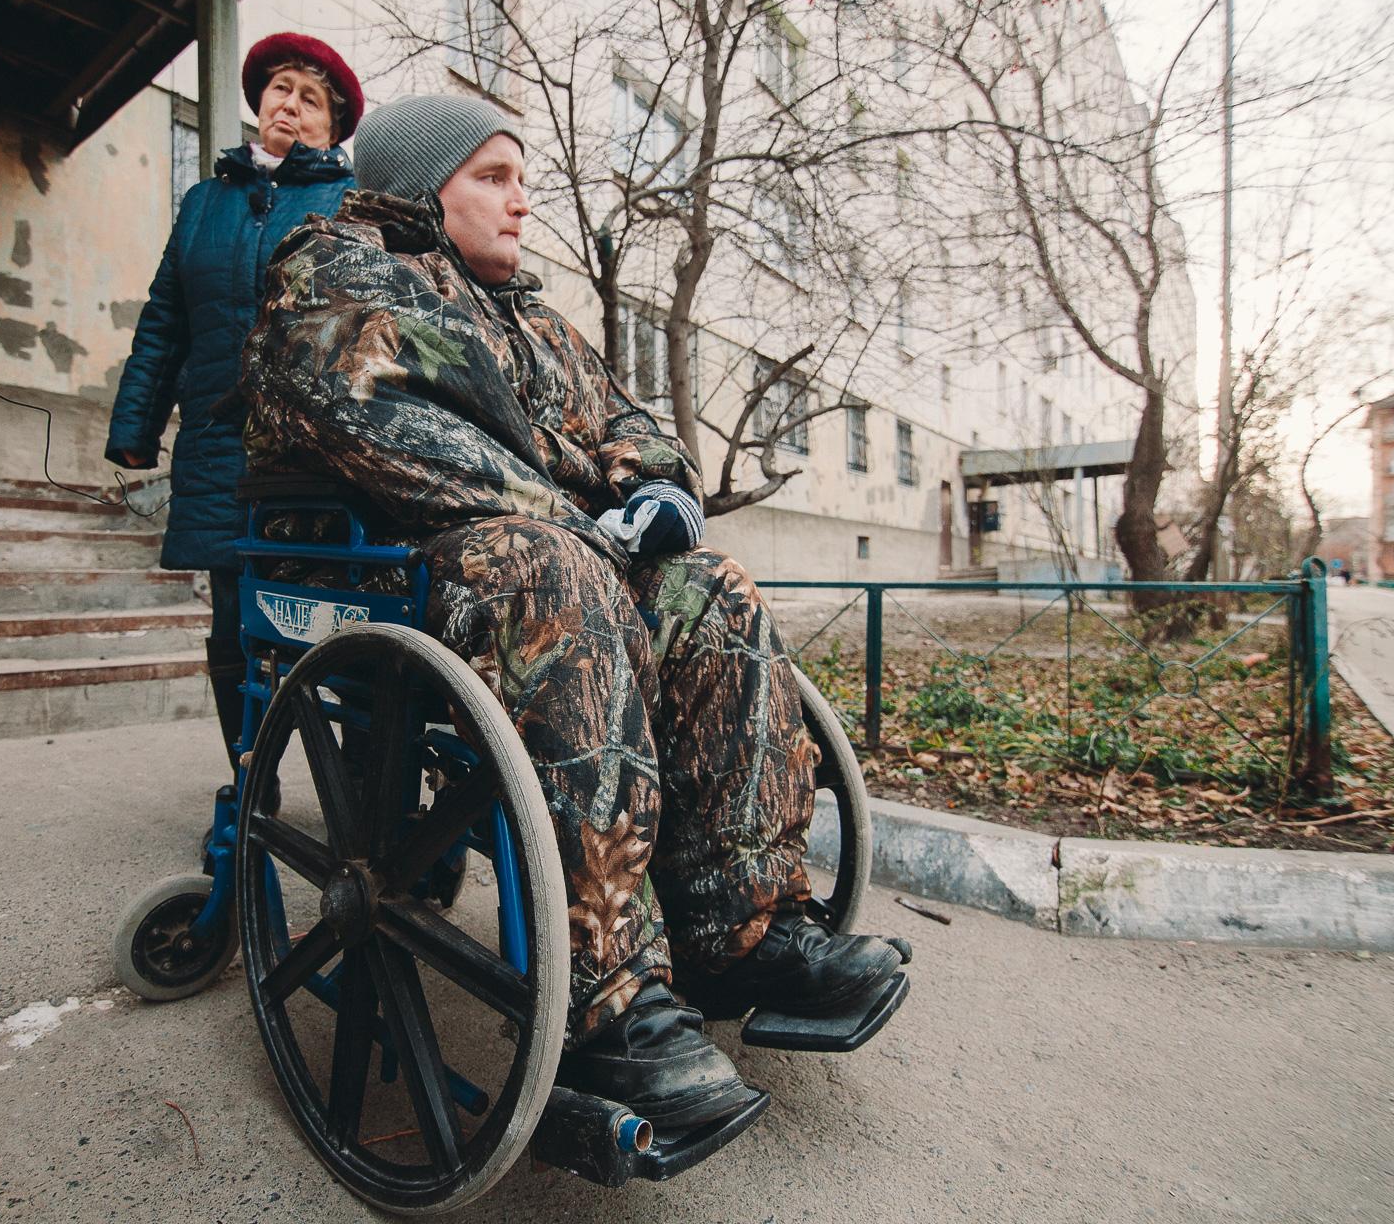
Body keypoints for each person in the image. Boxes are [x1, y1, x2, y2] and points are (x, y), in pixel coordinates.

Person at [235, 95, 905, 1132]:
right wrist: (576, 523)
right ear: (423, 185)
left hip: (550, 553)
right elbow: (393, 434)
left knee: (712, 588)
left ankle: (743, 927)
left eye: (522, 179)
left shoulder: (536, 319)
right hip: (403, 563)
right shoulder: (336, 270)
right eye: (494, 177)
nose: (522, 202)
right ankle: (609, 1000)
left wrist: (653, 493)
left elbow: (629, 424)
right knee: (556, 570)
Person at [106, 33, 362, 770]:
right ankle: (252, 777)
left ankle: (353, 789)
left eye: (311, 99)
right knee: (232, 625)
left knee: (331, 616)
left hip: (315, 447)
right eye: (282, 88)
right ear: (259, 103)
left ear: (332, 127)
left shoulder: (346, 202)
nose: (291, 105)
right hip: (219, 441)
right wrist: (136, 427)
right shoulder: (204, 204)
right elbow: (166, 320)